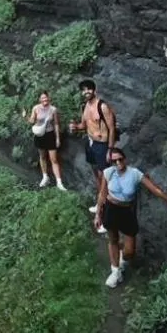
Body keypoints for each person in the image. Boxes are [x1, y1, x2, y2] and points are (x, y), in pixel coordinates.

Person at [96, 147, 167, 287]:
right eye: (114, 161)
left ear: (125, 158)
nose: (118, 163)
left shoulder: (134, 174)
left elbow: (156, 190)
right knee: (113, 239)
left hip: (127, 211)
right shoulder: (108, 173)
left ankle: (121, 260)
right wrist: (98, 214)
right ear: (111, 162)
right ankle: (115, 272)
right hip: (111, 209)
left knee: (129, 251)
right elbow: (102, 194)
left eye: (120, 159)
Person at [70, 78, 118, 232]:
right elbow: (85, 125)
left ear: (94, 90)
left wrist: (110, 149)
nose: (86, 92)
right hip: (90, 143)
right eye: (83, 90)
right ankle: (100, 203)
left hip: (102, 146)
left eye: (88, 89)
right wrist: (76, 127)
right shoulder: (86, 106)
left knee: (105, 181)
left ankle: (104, 218)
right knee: (98, 177)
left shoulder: (102, 106)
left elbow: (111, 129)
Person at [27, 91, 66, 189]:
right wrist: (25, 116)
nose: (44, 99)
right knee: (42, 157)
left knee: (54, 159)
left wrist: (57, 138)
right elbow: (32, 121)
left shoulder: (53, 110)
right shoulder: (36, 108)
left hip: (50, 135)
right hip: (39, 135)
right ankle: (45, 177)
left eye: (46, 97)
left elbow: (56, 124)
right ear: (40, 99)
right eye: (42, 98)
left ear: (49, 98)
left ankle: (59, 182)